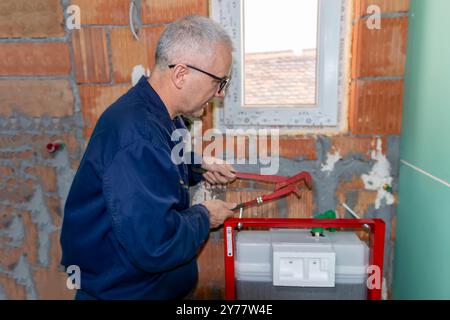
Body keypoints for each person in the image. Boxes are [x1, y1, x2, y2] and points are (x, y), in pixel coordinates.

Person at [60, 15, 237, 300]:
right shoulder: (136, 136)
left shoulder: (161, 113)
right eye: (219, 82)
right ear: (181, 74)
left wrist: (198, 167)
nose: (219, 93)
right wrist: (206, 216)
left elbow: (161, 163)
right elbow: (155, 244)